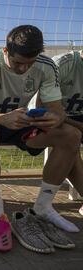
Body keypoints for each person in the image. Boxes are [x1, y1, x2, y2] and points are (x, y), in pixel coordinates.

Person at [0, 25, 81, 233]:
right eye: (18, 62)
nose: (22, 69)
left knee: (70, 135)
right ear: (6, 51)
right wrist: (2, 119)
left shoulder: (47, 66)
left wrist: (52, 119)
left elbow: (57, 111)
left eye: (29, 63)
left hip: (21, 121)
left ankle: (43, 206)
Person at [52, 50, 83, 217]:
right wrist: (76, 124)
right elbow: (44, 108)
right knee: (71, 137)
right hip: (52, 118)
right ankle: (43, 205)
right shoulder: (62, 64)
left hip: (77, 117)